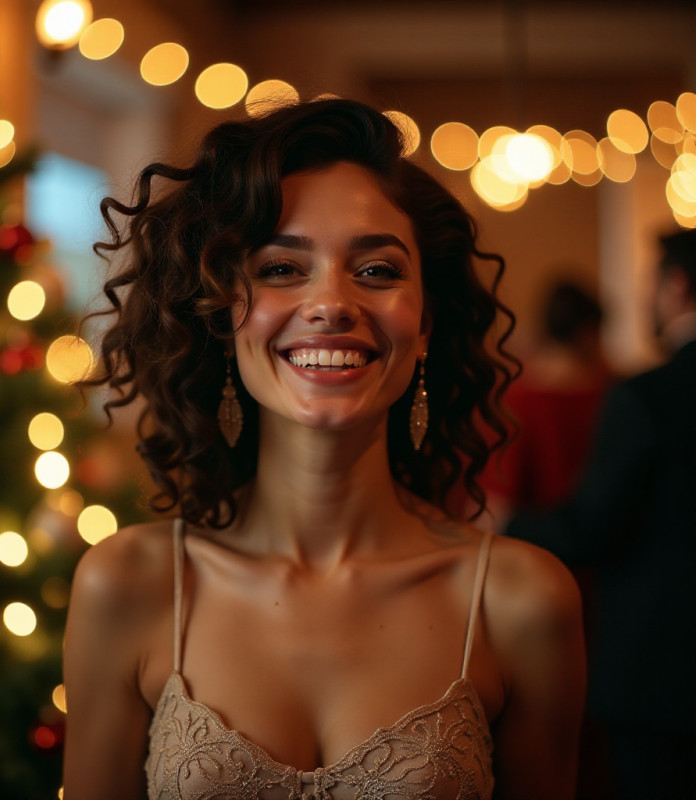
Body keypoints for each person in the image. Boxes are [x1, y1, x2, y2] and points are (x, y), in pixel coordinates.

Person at [62, 99, 585, 800]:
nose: (332, 302)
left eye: (376, 271)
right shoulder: (128, 585)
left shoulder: (520, 600)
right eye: (281, 268)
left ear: (425, 322)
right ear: (222, 314)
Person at [505, 228, 696, 799]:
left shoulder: (645, 396)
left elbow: (588, 525)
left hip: (659, 667)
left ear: (676, 285)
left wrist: (499, 522)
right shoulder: (615, 386)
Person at [480, 280, 612, 529]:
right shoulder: (613, 396)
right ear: (589, 332)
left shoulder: (519, 402)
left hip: (538, 548)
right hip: (606, 555)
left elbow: (494, 507)